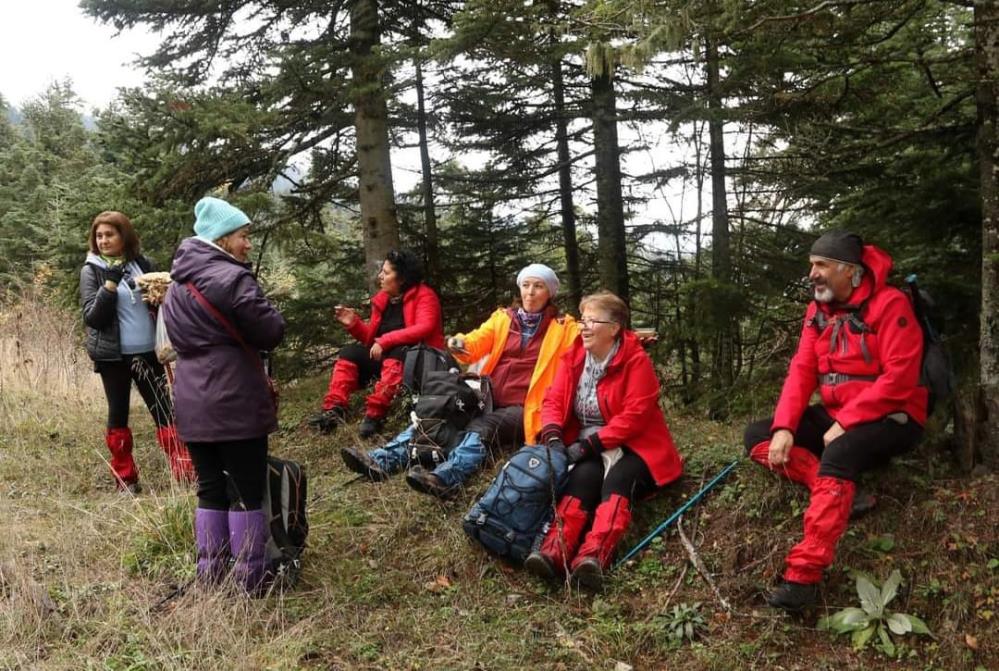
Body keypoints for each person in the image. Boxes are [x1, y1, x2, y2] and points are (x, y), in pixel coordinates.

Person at [743, 230, 926, 612]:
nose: (813, 274)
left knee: (839, 453)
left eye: (822, 265)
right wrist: (783, 428)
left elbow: (900, 379)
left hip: (893, 415)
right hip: (838, 412)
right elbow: (802, 370)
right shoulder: (817, 311)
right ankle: (842, 493)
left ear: (851, 272)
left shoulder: (891, 305)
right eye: (812, 265)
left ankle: (803, 580)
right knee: (756, 436)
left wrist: (849, 421)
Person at [340, 263, 579, 499]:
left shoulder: (565, 328)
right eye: (526, 285)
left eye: (538, 286)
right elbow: (476, 343)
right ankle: (380, 460)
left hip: (526, 405)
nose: (530, 292)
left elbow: (594, 339)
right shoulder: (504, 318)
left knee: (481, 428)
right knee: (440, 408)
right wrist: (460, 343)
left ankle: (446, 477)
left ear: (550, 292)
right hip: (487, 393)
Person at [162, 197, 286, 593]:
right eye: (243, 237)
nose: (247, 245)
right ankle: (252, 579)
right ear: (222, 238)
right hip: (233, 397)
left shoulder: (176, 284)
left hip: (192, 398)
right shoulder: (231, 278)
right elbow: (270, 331)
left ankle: (211, 575)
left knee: (211, 486)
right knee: (247, 490)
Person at [524, 291, 683, 590]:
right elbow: (553, 399)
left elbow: (635, 416)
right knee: (582, 479)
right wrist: (554, 434)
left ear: (614, 328)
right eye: (583, 320)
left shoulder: (636, 361)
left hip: (636, 446)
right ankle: (553, 552)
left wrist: (589, 445)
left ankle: (594, 556)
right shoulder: (573, 357)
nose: (584, 327)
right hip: (588, 445)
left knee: (618, 481)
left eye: (593, 321)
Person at [80, 210, 194, 493]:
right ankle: (126, 478)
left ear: (124, 236)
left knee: (164, 411)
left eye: (110, 234)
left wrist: (161, 297)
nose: (104, 240)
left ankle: (183, 470)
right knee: (118, 414)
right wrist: (109, 284)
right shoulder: (91, 269)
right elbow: (92, 317)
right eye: (99, 235)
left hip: (148, 351)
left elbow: (157, 304)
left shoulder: (141, 264)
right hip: (113, 356)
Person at [309, 249, 444, 438]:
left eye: (386, 273)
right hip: (386, 363)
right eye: (382, 271)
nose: (380, 276)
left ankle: (375, 415)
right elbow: (372, 342)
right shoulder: (383, 300)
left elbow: (424, 328)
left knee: (398, 350)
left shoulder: (424, 296)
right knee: (349, 353)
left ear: (402, 279)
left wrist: (385, 340)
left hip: (415, 362)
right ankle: (334, 408)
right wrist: (354, 324)